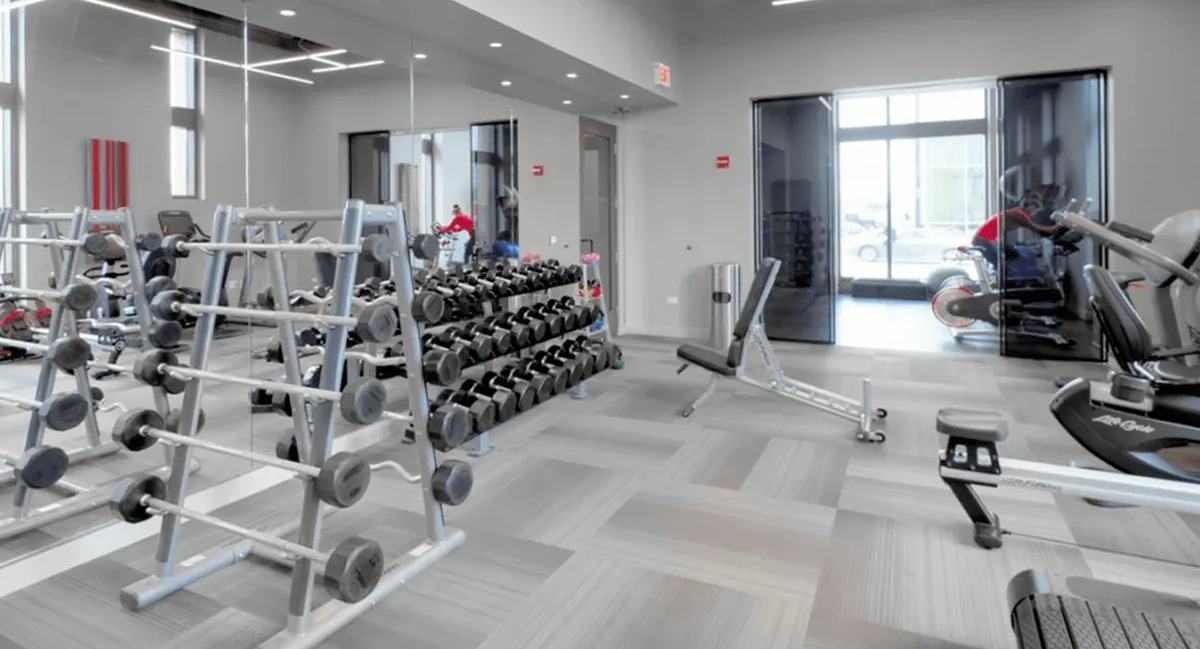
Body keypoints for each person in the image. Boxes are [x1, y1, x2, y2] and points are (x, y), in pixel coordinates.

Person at [971, 193, 1061, 270]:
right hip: (982, 240)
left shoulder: (1018, 212)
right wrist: (1057, 227)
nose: (1035, 213)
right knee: (1002, 263)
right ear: (1030, 206)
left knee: (1012, 254)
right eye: (1035, 210)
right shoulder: (1019, 216)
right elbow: (1036, 228)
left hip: (987, 239)